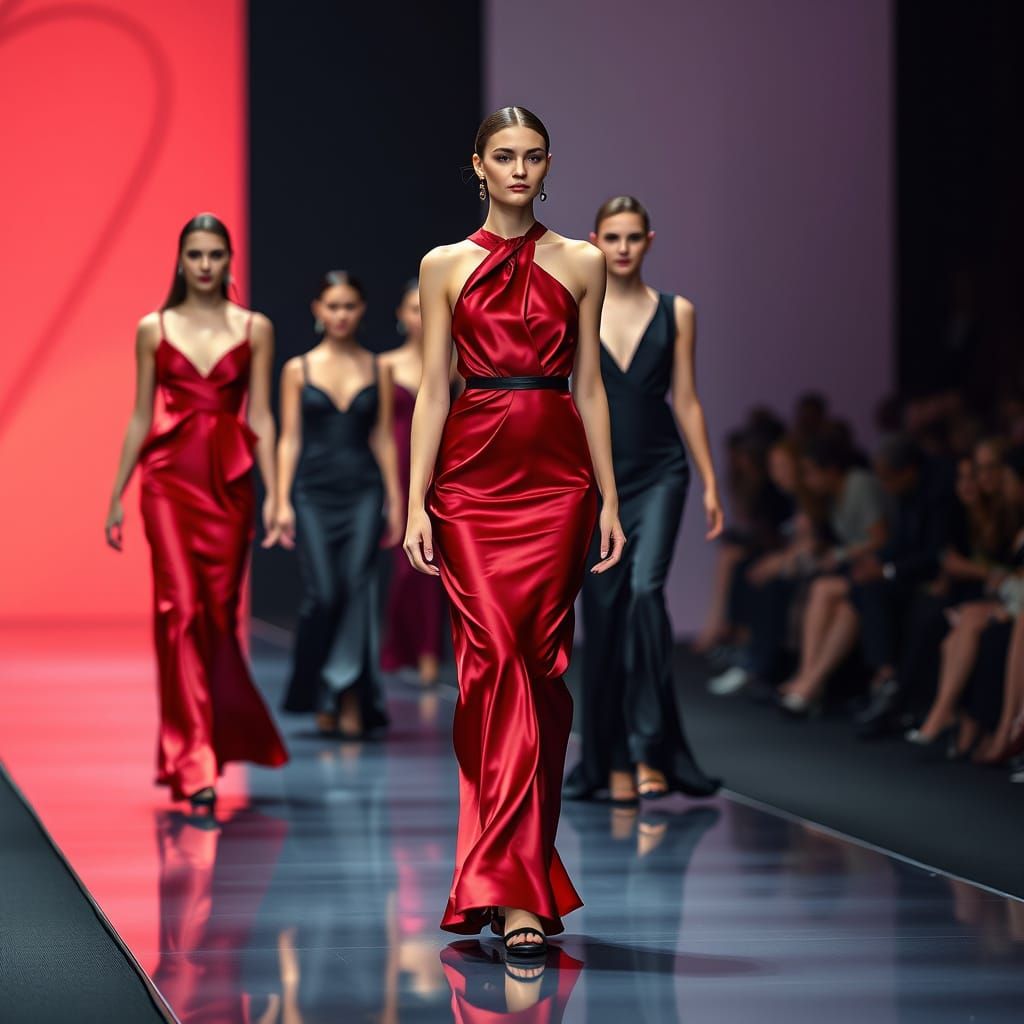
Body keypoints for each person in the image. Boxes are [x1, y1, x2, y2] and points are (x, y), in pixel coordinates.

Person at [402, 106, 625, 961]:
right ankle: (510, 882)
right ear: (478, 166)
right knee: (490, 666)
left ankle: (511, 881)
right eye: (505, 157)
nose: (520, 170)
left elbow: (592, 386)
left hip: (557, 483)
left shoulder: (583, 261)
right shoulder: (442, 266)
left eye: (533, 157)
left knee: (539, 670)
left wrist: (607, 497)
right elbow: (432, 389)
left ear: (548, 164)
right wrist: (417, 500)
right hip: (471, 480)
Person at [104, 213, 288, 807]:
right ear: (180, 261)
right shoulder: (152, 328)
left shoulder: (254, 327)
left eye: (215, 254)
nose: (205, 265)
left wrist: (278, 495)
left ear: (228, 259)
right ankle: (193, 763)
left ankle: (211, 736)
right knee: (178, 609)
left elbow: (260, 415)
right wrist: (115, 493)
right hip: (167, 483)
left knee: (215, 616)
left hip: (228, 486)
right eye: (195, 255)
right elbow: (139, 414)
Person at [563, 195, 723, 806]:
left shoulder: (677, 312)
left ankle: (649, 747)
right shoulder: (579, 311)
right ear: (595, 240)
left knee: (646, 595)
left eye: (634, 237)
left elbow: (686, 399)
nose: (623, 248)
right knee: (603, 613)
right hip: (595, 479)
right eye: (613, 237)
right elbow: (573, 398)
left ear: (649, 241)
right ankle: (609, 760)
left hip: (661, 473)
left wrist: (707, 479)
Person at [276, 272, 401, 738]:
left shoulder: (378, 368)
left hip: (364, 491)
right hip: (312, 493)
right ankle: (320, 686)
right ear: (317, 310)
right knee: (325, 594)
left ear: (362, 309)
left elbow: (384, 437)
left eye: (349, 306)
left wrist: (395, 499)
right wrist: (281, 499)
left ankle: (347, 696)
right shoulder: (298, 369)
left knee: (356, 590)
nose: (341, 315)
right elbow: (289, 438)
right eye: (333, 306)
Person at [379, 280, 446, 686]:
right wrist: (391, 489)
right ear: (400, 316)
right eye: (412, 309)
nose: (419, 316)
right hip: (403, 464)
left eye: (424, 307)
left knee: (437, 560)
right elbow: (384, 431)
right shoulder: (387, 365)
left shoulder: (453, 363)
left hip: (444, 462)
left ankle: (429, 653)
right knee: (405, 567)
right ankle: (400, 647)